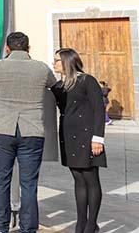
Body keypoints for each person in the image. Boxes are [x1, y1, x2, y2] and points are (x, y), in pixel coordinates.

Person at [0, 32, 58, 233]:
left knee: (1, 182)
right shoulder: (41, 68)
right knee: (29, 184)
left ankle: (1, 227)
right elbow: (55, 86)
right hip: (32, 131)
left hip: (3, 131)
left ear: (7, 48)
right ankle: (28, 229)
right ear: (28, 48)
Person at [52, 48, 106, 233]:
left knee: (91, 178)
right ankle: (80, 223)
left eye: (57, 60)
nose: (54, 63)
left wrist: (98, 138)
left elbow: (99, 110)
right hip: (68, 137)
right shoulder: (59, 86)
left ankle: (91, 225)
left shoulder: (87, 81)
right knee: (78, 179)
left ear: (67, 61)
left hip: (88, 137)